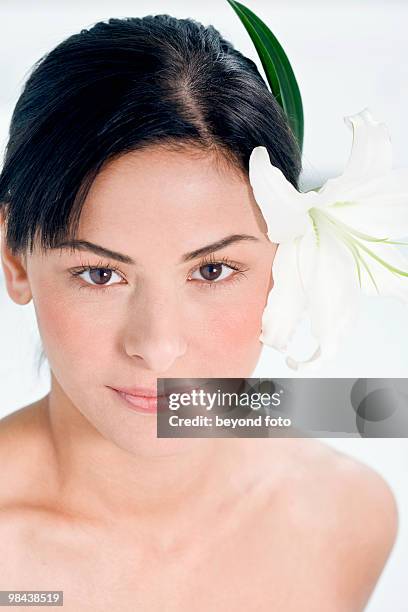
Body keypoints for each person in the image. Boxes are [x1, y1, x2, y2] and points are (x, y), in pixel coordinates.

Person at [0, 14, 398, 611]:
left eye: (212, 271)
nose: (158, 346)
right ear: (16, 259)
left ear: (288, 257)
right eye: (101, 274)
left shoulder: (349, 517)